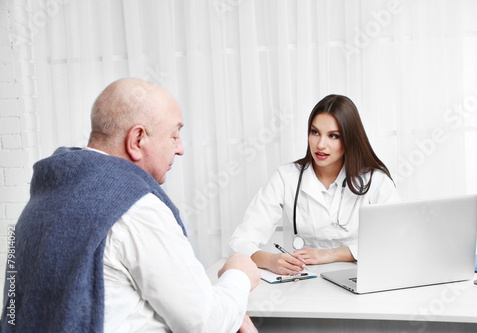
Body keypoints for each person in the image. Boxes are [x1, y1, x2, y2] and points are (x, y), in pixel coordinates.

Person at [1, 78, 260, 333]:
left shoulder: (44, 199)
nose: (180, 149)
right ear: (137, 140)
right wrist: (239, 274)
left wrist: (228, 310)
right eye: (174, 135)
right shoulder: (135, 208)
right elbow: (205, 324)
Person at [229, 94, 400, 275]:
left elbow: (398, 237)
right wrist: (271, 260)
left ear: (350, 139)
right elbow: (239, 242)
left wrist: (331, 254)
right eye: (315, 132)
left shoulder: (375, 181)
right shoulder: (285, 177)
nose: (320, 144)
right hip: (303, 282)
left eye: (333, 136)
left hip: (362, 279)